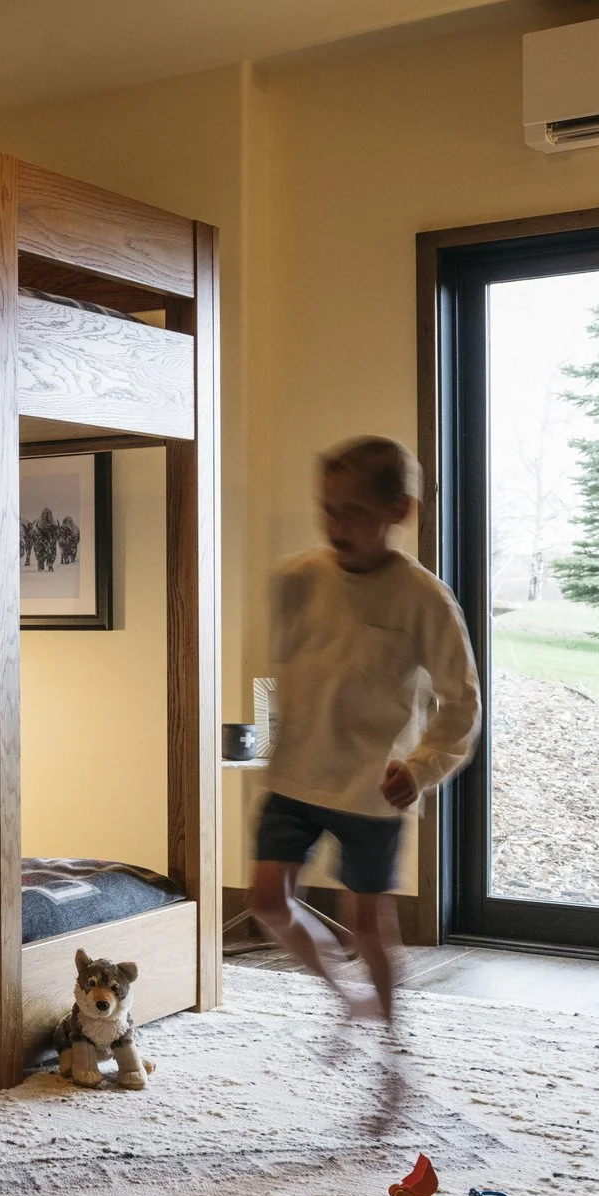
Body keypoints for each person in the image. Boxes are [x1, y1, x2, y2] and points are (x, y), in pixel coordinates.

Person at [248, 436, 479, 1025]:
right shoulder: (296, 578)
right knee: (268, 902)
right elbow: (272, 670)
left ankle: (392, 1031)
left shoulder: (425, 599)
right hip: (294, 775)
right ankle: (343, 996)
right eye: (328, 508)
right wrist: (260, 746)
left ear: (398, 510)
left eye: (354, 512)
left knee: (368, 921)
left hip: (373, 787)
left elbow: (462, 702)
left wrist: (424, 769)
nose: (336, 524)